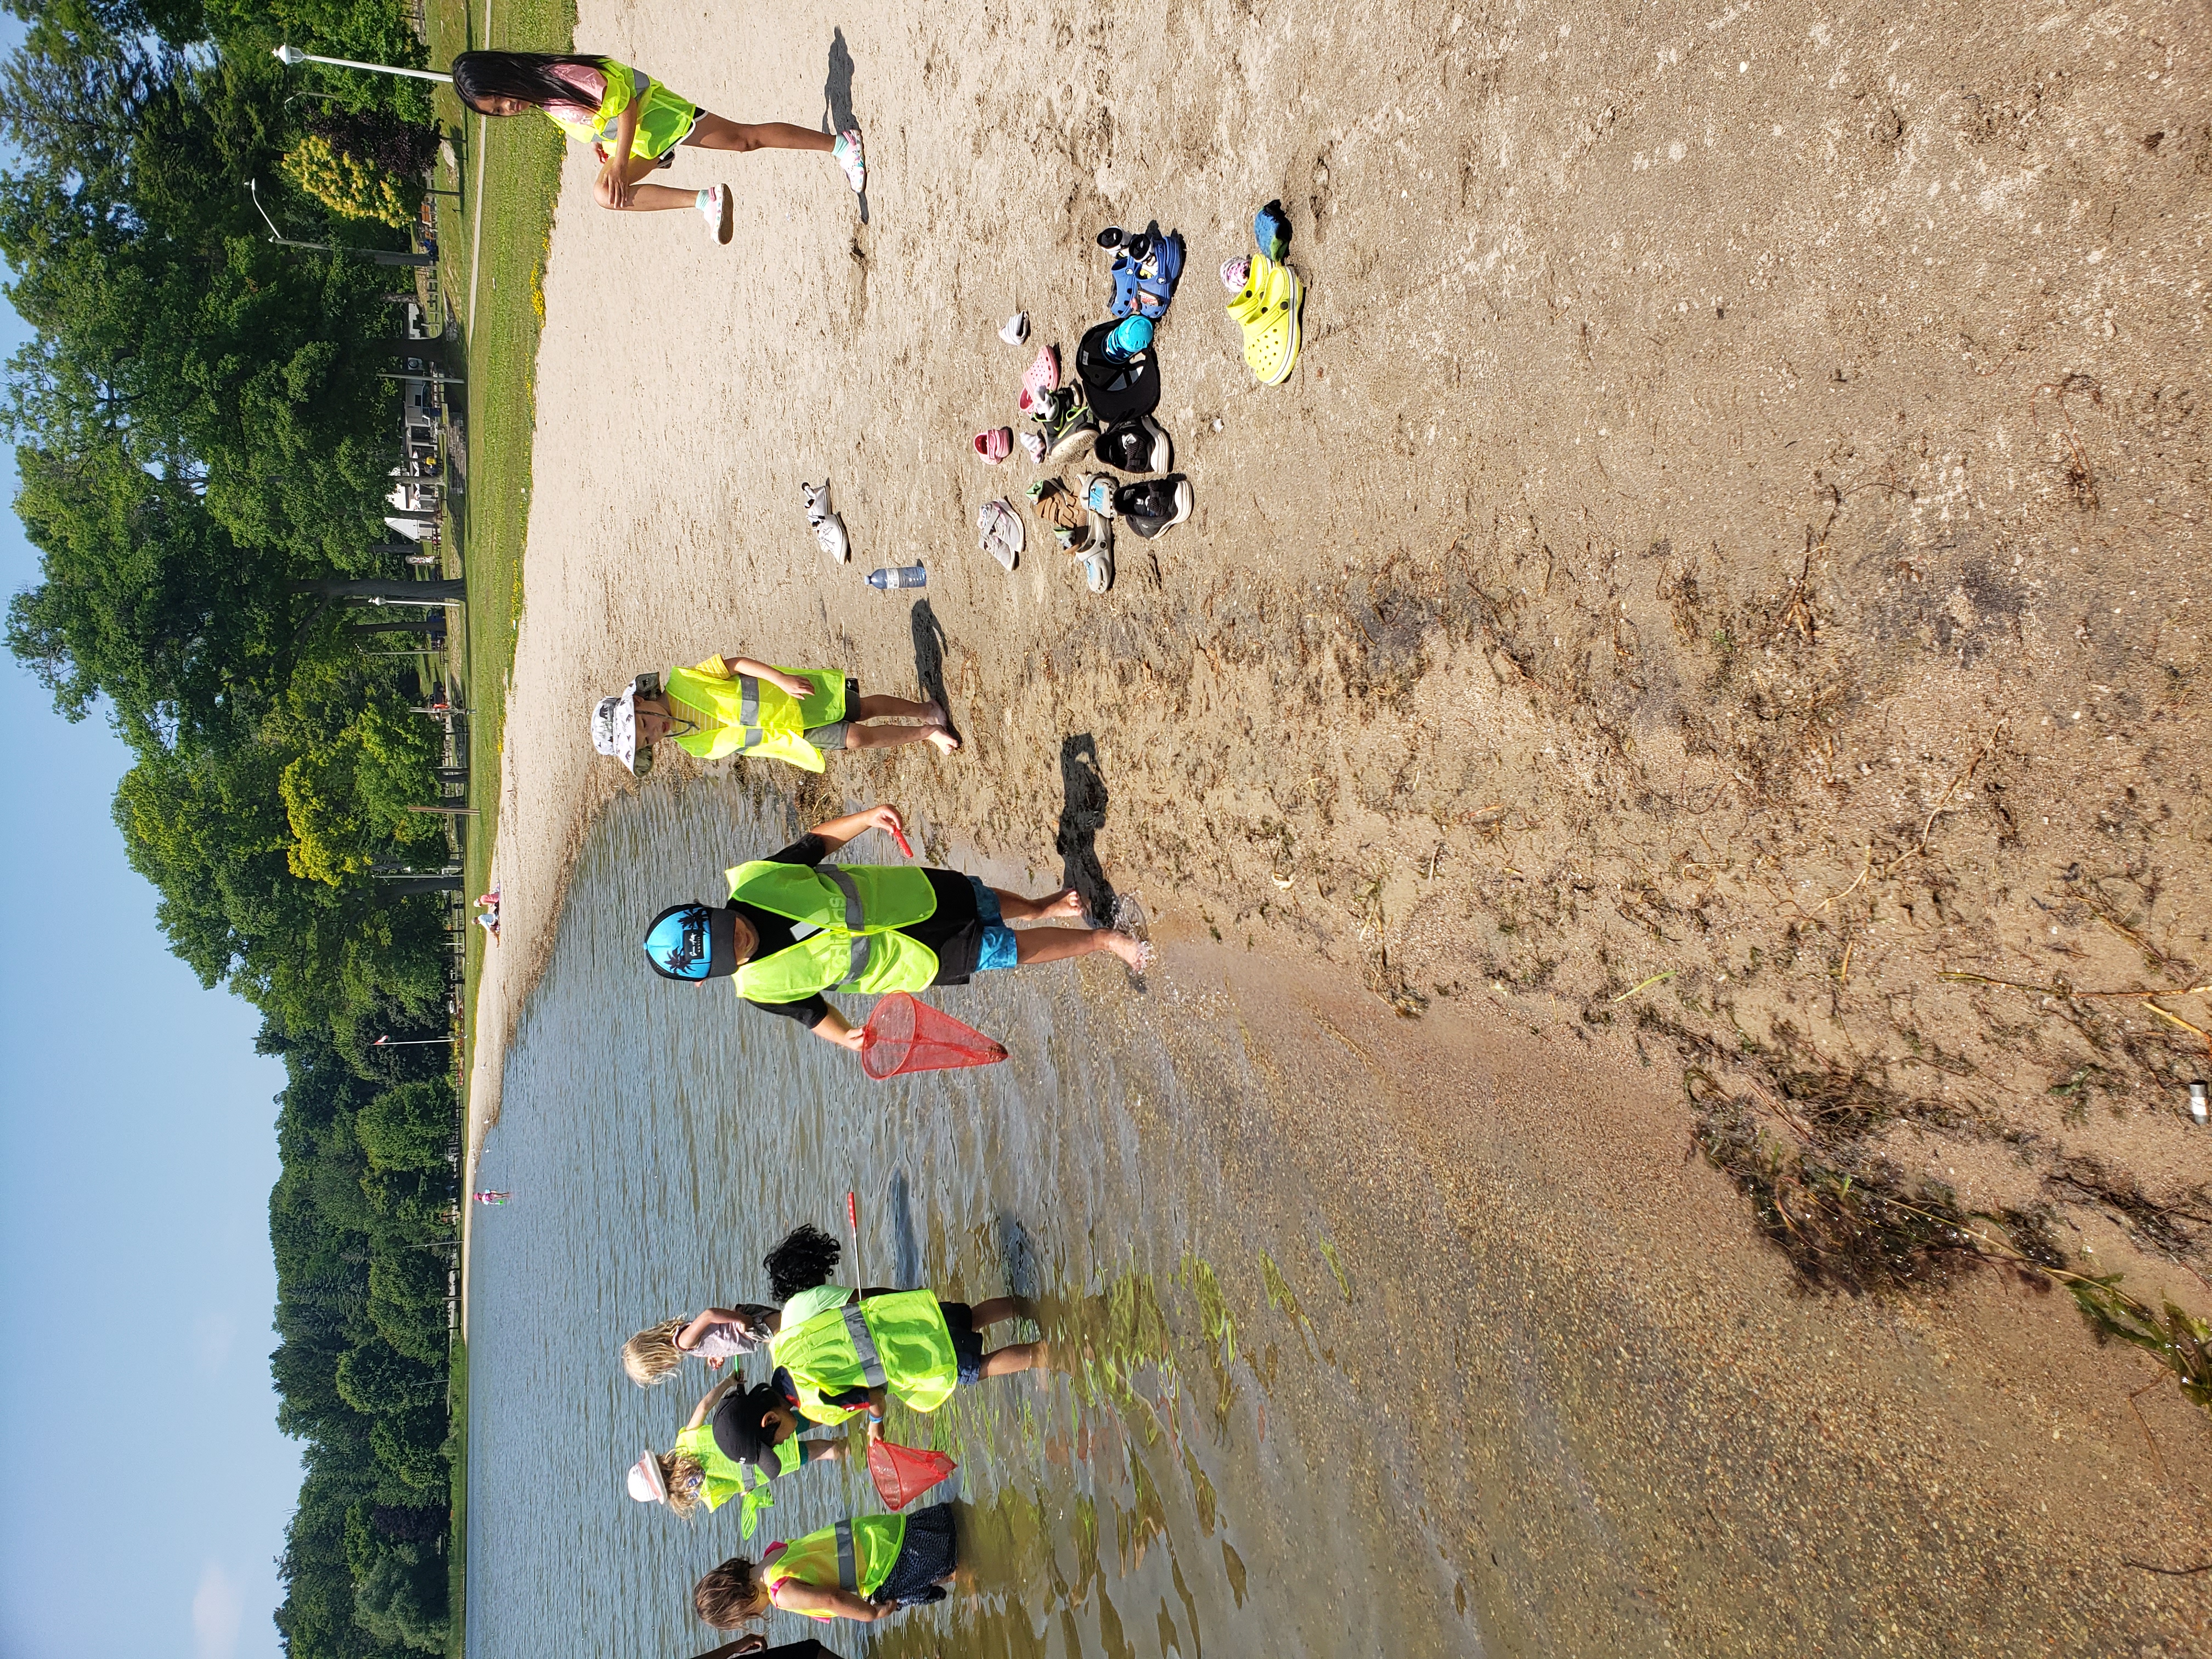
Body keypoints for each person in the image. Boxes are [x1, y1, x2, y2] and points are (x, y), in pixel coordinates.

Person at [639, 803, 1148, 1049]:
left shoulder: (757, 881)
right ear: (711, 977)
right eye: (729, 953)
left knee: (984, 898)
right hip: (911, 961)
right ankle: (1105, 941)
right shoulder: (760, 988)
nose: (739, 938)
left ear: (715, 908)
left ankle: (1039, 905)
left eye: (728, 927)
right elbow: (812, 1013)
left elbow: (814, 845)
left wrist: (864, 819)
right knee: (1008, 951)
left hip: (911, 897)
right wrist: (847, 1038)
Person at [449, 51, 864, 245]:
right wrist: (606, 147)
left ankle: (841, 145)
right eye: (498, 112)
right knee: (607, 195)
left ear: (502, 72)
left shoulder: (560, 76)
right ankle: (706, 201)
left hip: (658, 118)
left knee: (744, 140)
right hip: (641, 142)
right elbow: (599, 121)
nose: (508, 108)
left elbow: (626, 104)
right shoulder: (544, 102)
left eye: (501, 98)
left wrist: (618, 157)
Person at [755, 1223, 1043, 1431]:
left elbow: (872, 1396)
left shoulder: (811, 1401)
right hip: (911, 1315)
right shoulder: (787, 1333)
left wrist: (876, 1423)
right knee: (973, 1316)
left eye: (776, 1443)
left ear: (771, 1419)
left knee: (979, 1368)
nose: (782, 1444)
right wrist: (910, 1300)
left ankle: (1046, 1355)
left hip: (911, 1357)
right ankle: (1039, 1306)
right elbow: (869, 1297)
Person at [592, 659, 956, 780]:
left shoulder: (684, 679)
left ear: (640, 701)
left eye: (645, 725)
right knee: (857, 738)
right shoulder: (693, 746)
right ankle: (927, 733)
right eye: (647, 741)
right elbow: (751, 745)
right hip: (791, 735)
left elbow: (734, 665)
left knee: (862, 708)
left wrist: (780, 679)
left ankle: (924, 710)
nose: (654, 733)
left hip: (790, 697)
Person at [626, 1375, 848, 1527]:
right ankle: (852, 1404)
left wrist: (748, 1491)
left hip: (765, 1464)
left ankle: (853, 1448)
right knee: (810, 1417)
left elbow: (736, 1490)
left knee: (820, 1452)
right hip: (763, 1431)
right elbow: (705, 1406)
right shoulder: (684, 1442)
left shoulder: (704, 1495)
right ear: (657, 1461)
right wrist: (729, 1382)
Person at [691, 1503, 959, 1626]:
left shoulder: (780, 1592)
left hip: (882, 1566)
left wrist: (871, 1614)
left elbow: (832, 1599)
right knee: (952, 1531)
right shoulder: (773, 1553)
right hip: (875, 1533)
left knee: (948, 1564)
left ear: (742, 1605)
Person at [623, 1304, 779, 1385]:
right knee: (791, 1331)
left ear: (657, 1357)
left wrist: (740, 1320)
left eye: (658, 1369)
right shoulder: (682, 1340)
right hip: (749, 1329)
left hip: (749, 1327)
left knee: (795, 1327)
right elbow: (713, 1332)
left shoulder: (683, 1342)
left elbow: (708, 1315)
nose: (665, 1369)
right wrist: (717, 1352)